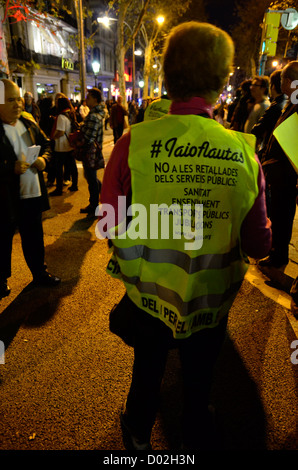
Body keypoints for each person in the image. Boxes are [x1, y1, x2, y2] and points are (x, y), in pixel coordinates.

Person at [100, 22, 271, 450]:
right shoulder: (244, 154)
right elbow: (259, 245)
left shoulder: (132, 143)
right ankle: (196, 428)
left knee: (147, 370)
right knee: (200, 375)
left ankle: (138, 432)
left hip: (149, 297)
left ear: (168, 76)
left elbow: (108, 223)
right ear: (221, 80)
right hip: (211, 303)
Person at [0, 79, 61, 300]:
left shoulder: (27, 122)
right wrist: (8, 167)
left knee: (34, 236)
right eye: (10, 100)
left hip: (32, 193)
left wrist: (44, 160)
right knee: (3, 239)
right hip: (6, 198)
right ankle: (1, 280)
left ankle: (40, 273)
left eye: (19, 98)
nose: (18, 104)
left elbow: (46, 145)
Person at [258, 61, 298, 270]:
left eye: (283, 79)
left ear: (289, 81)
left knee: (282, 216)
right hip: (280, 172)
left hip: (286, 174)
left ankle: (278, 256)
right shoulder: (292, 102)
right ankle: (276, 253)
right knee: (279, 214)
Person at [80, 87, 105, 215]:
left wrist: (80, 135)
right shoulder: (95, 114)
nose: (86, 100)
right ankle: (102, 196)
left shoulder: (94, 116)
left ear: (95, 99)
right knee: (90, 177)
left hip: (91, 152)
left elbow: (89, 138)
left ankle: (94, 205)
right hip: (93, 152)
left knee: (91, 178)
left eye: (88, 97)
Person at [50, 96, 78, 195]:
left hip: (61, 146)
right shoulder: (70, 114)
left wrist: (53, 137)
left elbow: (61, 132)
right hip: (69, 145)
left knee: (59, 168)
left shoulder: (61, 116)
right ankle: (75, 185)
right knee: (72, 166)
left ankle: (59, 189)